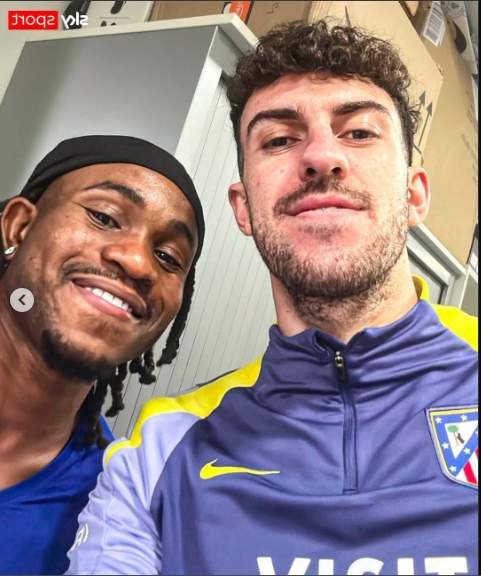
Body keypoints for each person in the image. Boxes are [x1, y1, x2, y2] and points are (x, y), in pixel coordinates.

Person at [67, 22, 478, 576]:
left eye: (359, 132)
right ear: (243, 208)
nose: (321, 157)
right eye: (280, 140)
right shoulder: (162, 449)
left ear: (414, 192)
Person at [0, 135, 204, 575]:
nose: (138, 263)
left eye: (168, 257)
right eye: (105, 217)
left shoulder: (118, 514)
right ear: (18, 227)